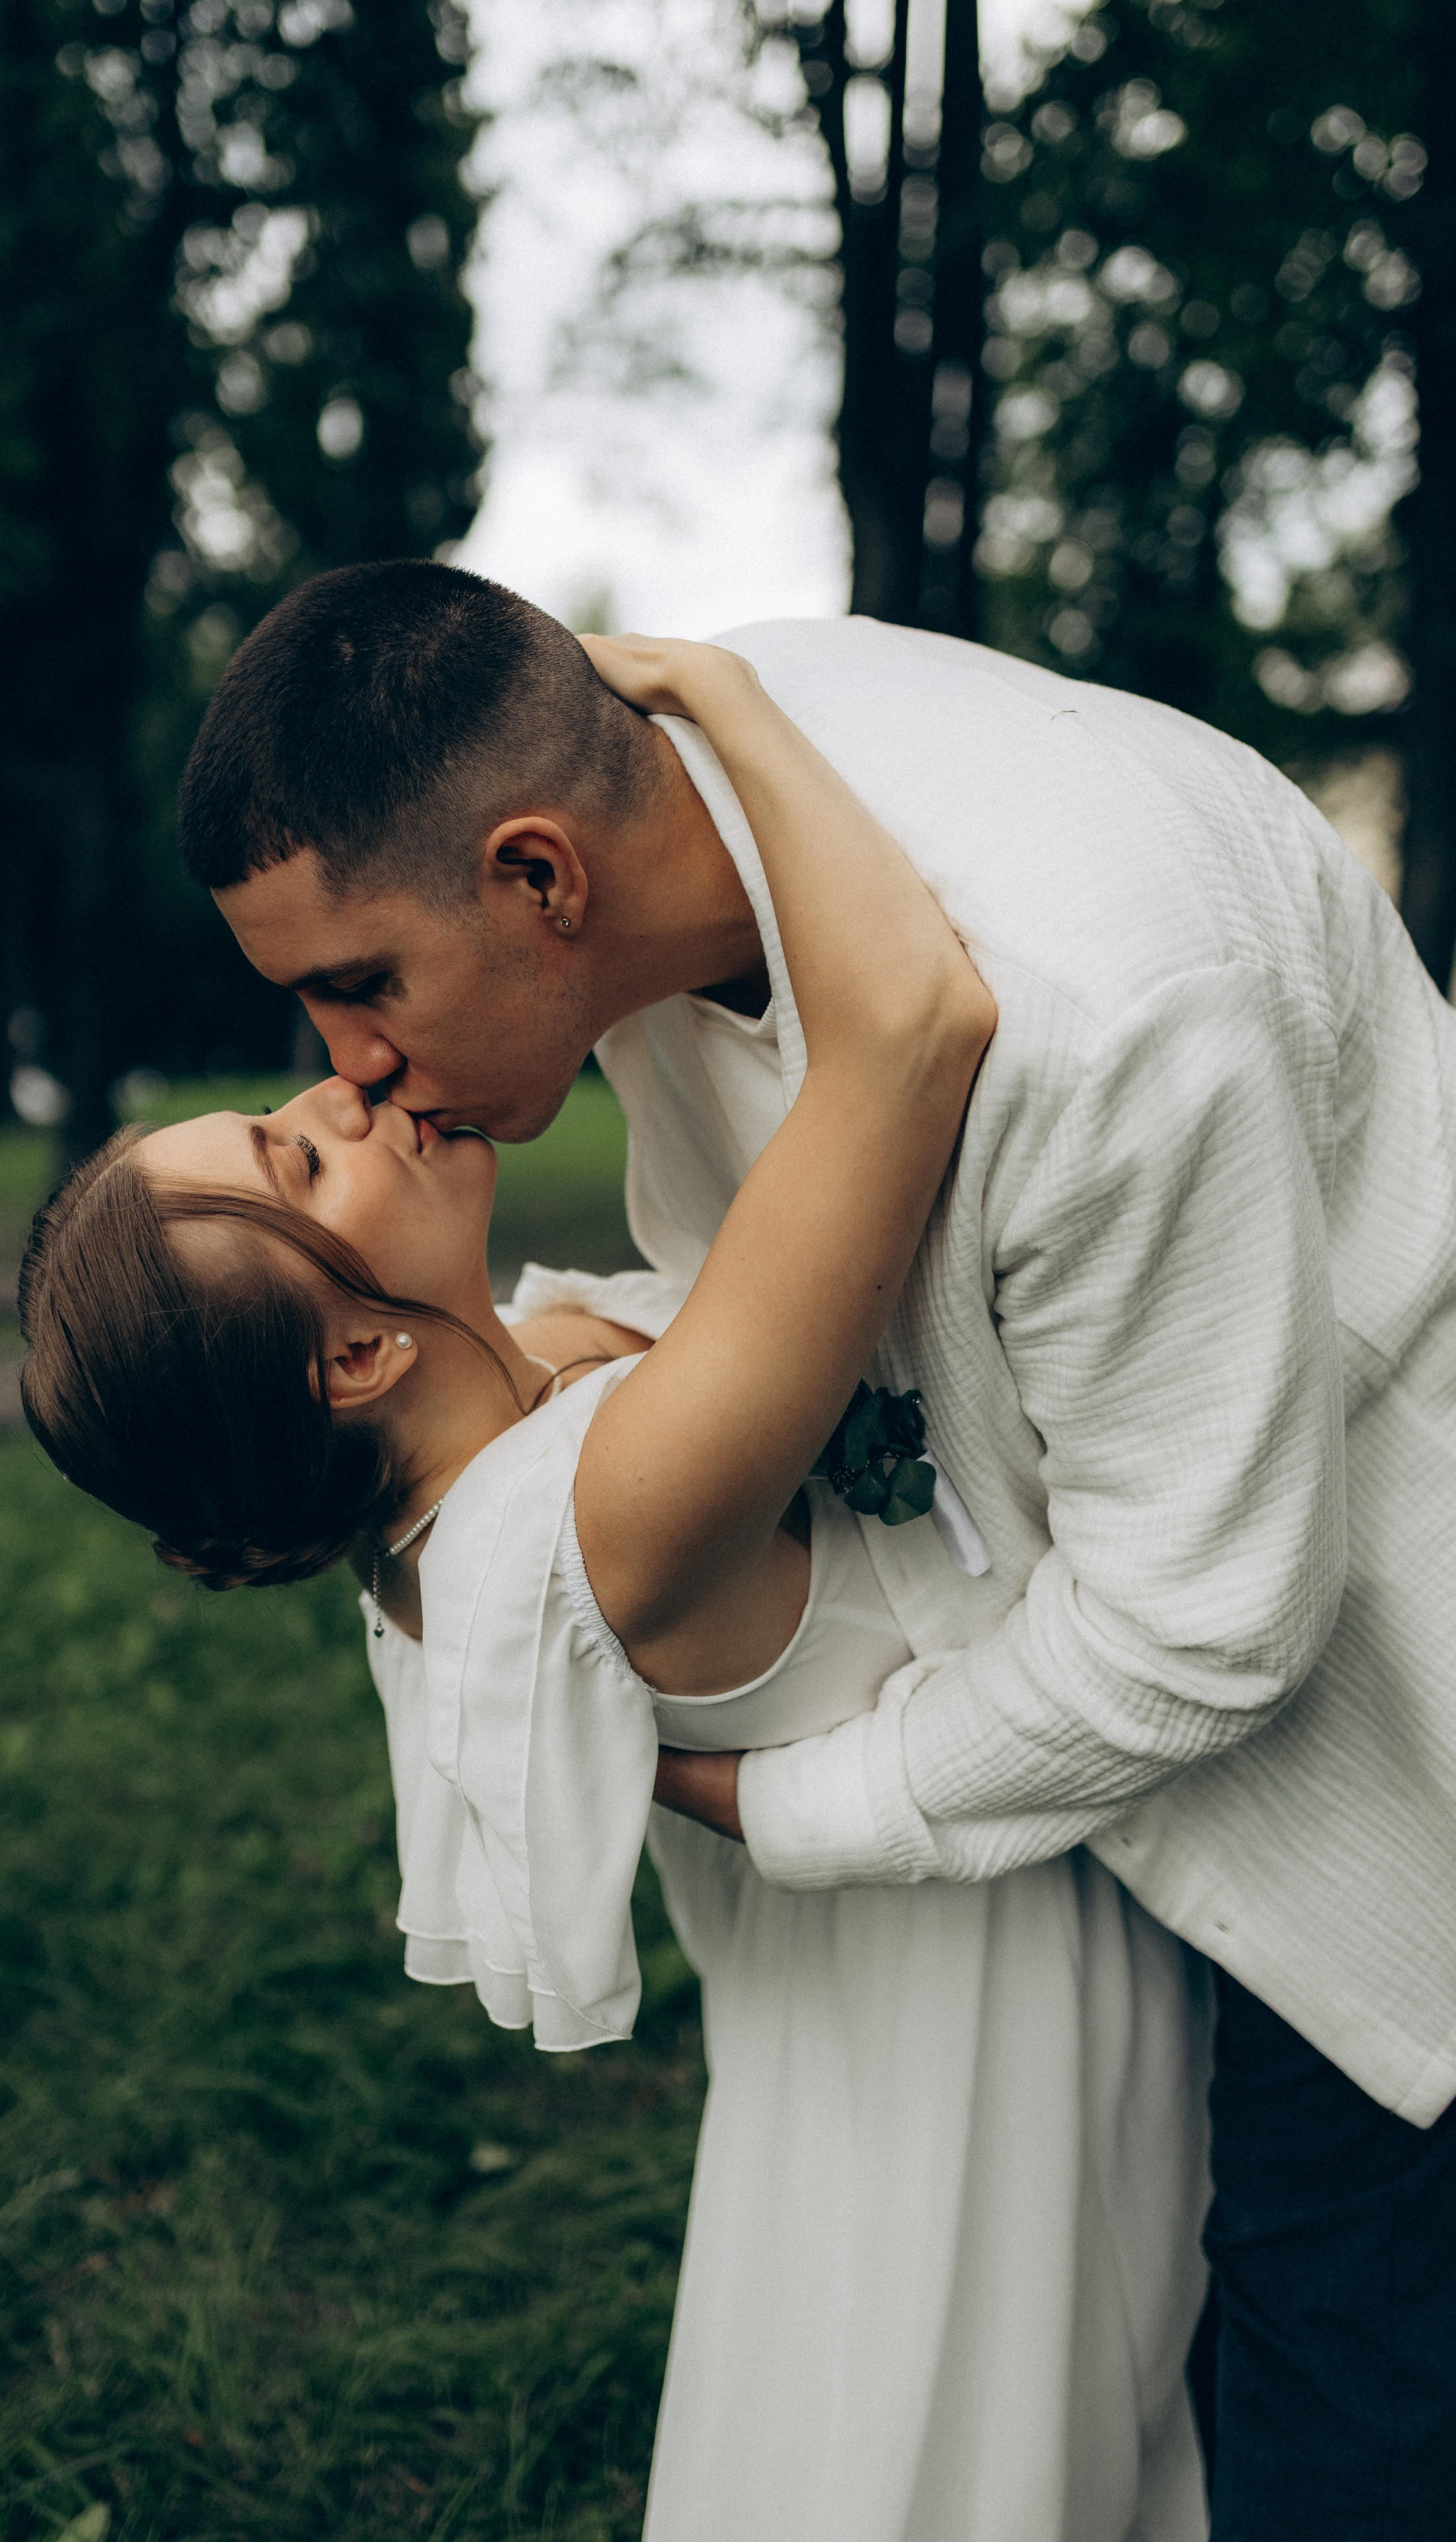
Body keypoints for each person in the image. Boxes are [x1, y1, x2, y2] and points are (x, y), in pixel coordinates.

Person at [175, 560, 1456, 2537]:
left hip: (1371, 1737)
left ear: (540, 879)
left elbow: (1200, 1635)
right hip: (1078, 1844)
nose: (343, 1062)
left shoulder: (1102, 1020)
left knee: (1328, 2392)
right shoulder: (662, 807)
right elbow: (790, 1284)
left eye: (359, 984)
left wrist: (795, 1812)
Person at [21, 641, 1212, 2539]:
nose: (340, 1088)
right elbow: (909, 1027)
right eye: (289, 1159)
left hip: (855, 2014)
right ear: (345, 1367)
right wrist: (719, 702)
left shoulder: (491, 1413)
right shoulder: (597, 1521)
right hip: (968, 2032)